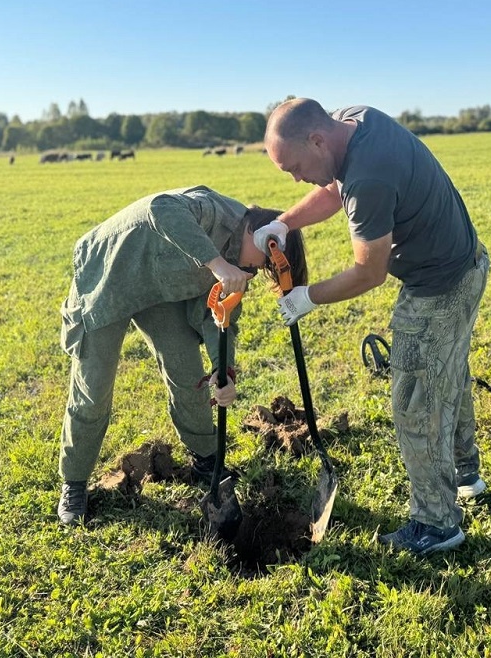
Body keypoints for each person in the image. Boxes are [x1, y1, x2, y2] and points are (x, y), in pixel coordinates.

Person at [256, 98, 489, 555]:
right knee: (450, 376)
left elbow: (369, 272)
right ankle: (466, 474)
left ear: (318, 140)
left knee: (415, 401)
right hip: (466, 263)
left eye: (295, 167)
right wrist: (284, 224)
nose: (296, 177)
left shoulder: (369, 178)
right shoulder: (354, 122)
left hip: (438, 286)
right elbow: (330, 187)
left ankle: (437, 524)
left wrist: (306, 297)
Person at [56, 185, 307, 525]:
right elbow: (160, 207)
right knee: (94, 387)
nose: (255, 272)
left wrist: (225, 373)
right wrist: (216, 263)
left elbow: (218, 319)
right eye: (264, 264)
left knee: (188, 371)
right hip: (108, 277)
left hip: (159, 291)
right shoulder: (215, 211)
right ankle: (74, 481)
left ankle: (206, 459)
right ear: (260, 235)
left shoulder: (236, 265)